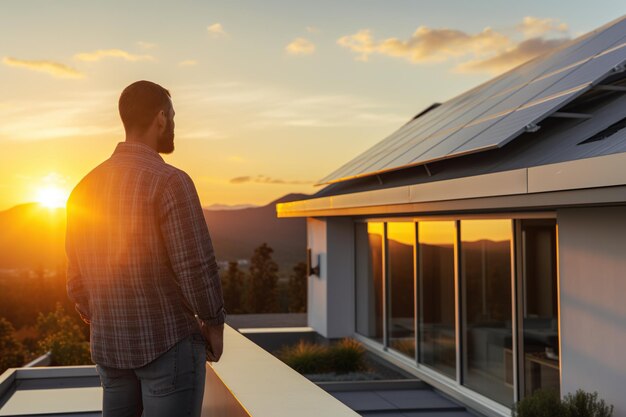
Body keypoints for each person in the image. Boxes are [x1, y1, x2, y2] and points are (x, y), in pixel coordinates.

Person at [65, 80, 225, 417]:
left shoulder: (82, 189)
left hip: (110, 351)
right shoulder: (170, 181)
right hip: (169, 347)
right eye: (173, 117)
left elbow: (75, 282)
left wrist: (107, 319)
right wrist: (213, 323)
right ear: (161, 119)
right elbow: (196, 266)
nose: (173, 126)